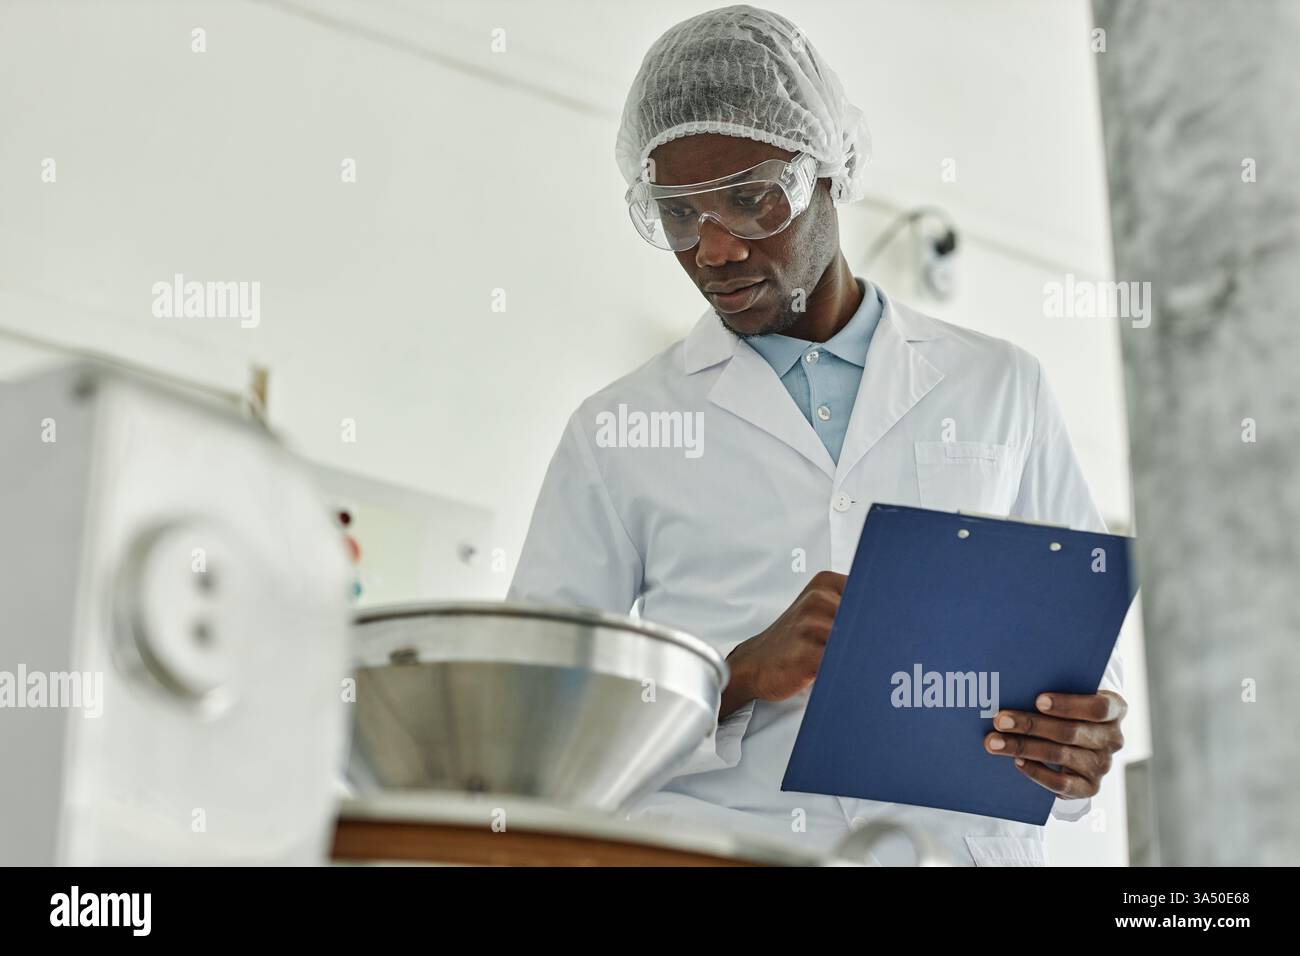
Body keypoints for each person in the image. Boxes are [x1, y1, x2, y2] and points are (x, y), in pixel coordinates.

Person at [508, 5, 1125, 866]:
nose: (713, 248)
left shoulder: (1000, 387)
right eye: (677, 214)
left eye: (748, 199)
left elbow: (1084, 670)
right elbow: (535, 726)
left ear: (832, 171)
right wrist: (732, 677)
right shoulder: (616, 435)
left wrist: (1081, 743)